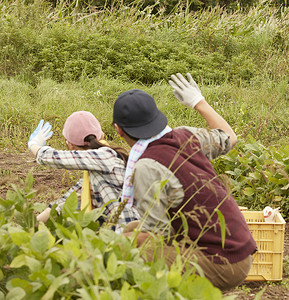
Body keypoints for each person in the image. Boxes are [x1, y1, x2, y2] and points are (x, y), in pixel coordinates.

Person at [112, 73, 257, 290]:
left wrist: (112, 244)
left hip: (222, 264)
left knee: (128, 253)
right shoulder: (185, 136)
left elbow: (154, 237)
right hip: (238, 251)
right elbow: (230, 136)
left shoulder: (146, 166)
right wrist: (198, 102)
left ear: (118, 130)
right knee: (131, 228)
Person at [28, 111, 140, 226]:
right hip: (120, 234)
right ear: (101, 135)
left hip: (130, 232)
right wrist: (31, 225)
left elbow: (54, 158)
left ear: (70, 145)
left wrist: (34, 145)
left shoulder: (106, 155)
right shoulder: (93, 173)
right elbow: (64, 202)